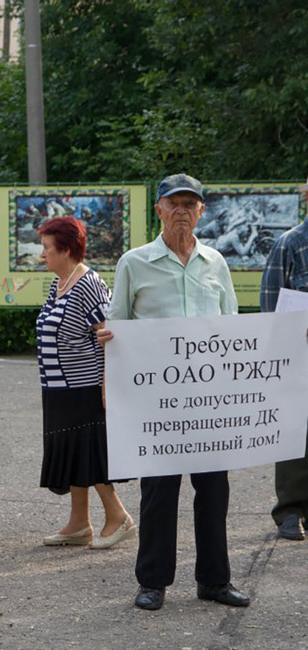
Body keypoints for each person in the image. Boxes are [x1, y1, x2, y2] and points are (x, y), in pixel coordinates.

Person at [98, 174, 249, 611]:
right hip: (156, 401)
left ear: (202, 211)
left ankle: (215, 580)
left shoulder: (215, 262)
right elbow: (117, 326)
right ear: (159, 210)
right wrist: (111, 383)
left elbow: (233, 328)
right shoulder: (135, 262)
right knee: (159, 491)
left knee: (214, 490)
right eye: (174, 203)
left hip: (208, 401)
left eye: (190, 203)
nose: (182, 210)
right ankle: (153, 582)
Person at [34, 217, 135, 550]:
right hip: (58, 388)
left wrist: (108, 384)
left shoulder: (88, 283)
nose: (42, 254)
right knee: (73, 453)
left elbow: (109, 335)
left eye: (47, 247)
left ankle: (118, 516)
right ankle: (79, 524)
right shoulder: (59, 282)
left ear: (65, 249)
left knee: (89, 453)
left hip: (85, 388)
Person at [259, 176, 308, 541]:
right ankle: (290, 511)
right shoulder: (290, 244)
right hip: (298, 355)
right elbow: (270, 306)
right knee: (294, 432)